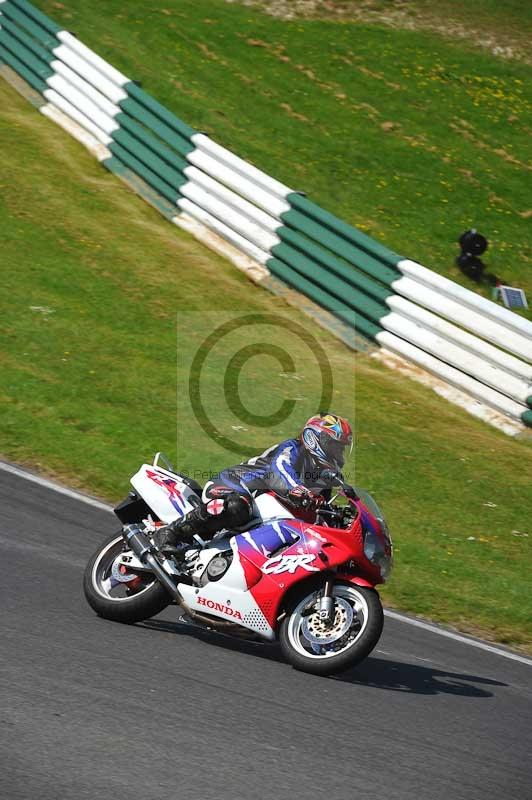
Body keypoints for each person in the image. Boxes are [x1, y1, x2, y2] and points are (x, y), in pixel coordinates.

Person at [157, 413, 356, 552]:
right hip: (234, 484)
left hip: (261, 511)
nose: (338, 453)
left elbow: (322, 509)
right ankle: (171, 532)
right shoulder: (293, 448)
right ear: (315, 439)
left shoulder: (325, 476)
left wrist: (339, 520)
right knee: (236, 507)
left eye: (341, 449)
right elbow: (279, 470)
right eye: (335, 446)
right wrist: (298, 490)